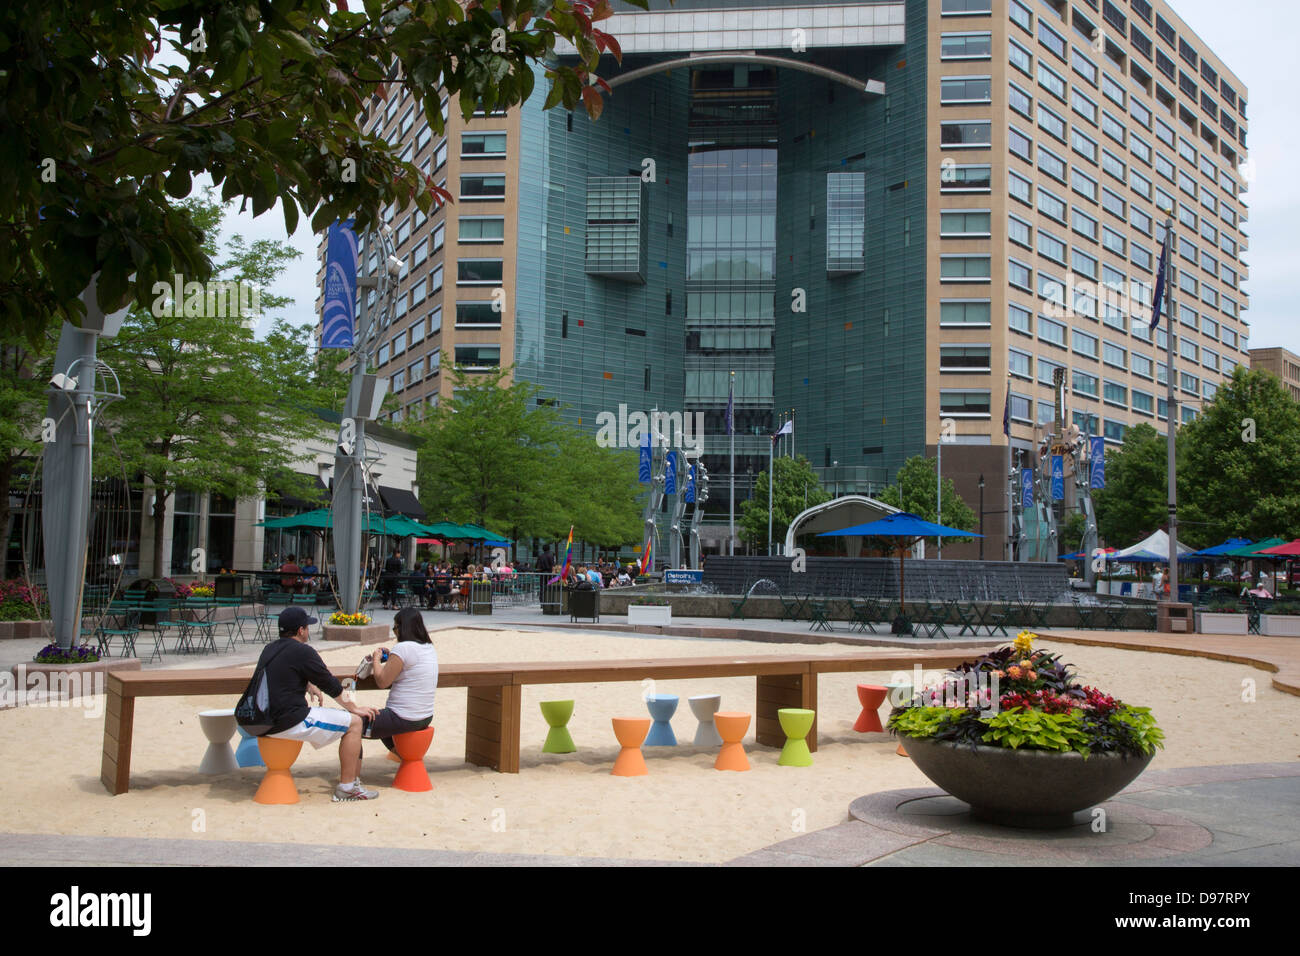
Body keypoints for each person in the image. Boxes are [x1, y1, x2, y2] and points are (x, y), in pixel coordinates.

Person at [244, 606, 380, 802]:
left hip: (261, 719)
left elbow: (282, 674)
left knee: (343, 718)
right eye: (307, 627)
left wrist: (307, 684)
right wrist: (354, 708)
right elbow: (331, 684)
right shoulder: (303, 651)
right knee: (355, 723)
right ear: (301, 630)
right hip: (287, 720)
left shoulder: (270, 648)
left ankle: (349, 785)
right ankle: (347, 787)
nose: (308, 631)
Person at [365, 606, 438, 753]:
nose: (394, 631)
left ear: (403, 628)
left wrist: (376, 660)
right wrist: (392, 656)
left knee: (354, 724)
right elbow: (410, 664)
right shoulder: (428, 647)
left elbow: (382, 682)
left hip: (403, 717)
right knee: (381, 720)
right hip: (425, 716)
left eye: (395, 628)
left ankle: (351, 775)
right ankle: (405, 757)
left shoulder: (403, 648)